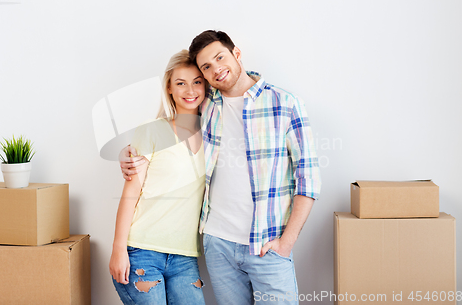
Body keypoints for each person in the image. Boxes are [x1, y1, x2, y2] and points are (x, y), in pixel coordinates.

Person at [120, 31, 321, 305]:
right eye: (207, 67)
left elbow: (308, 179)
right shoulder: (208, 105)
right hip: (218, 245)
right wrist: (128, 152)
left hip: (268, 244)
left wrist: (286, 242)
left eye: (220, 58)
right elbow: (172, 121)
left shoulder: (285, 104)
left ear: (236, 53)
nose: (216, 69)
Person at [110, 49, 208, 305]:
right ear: (169, 88)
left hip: (185, 257)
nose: (190, 90)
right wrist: (118, 249)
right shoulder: (151, 132)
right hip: (141, 252)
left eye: (197, 81)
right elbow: (131, 194)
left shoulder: (213, 136)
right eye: (181, 83)